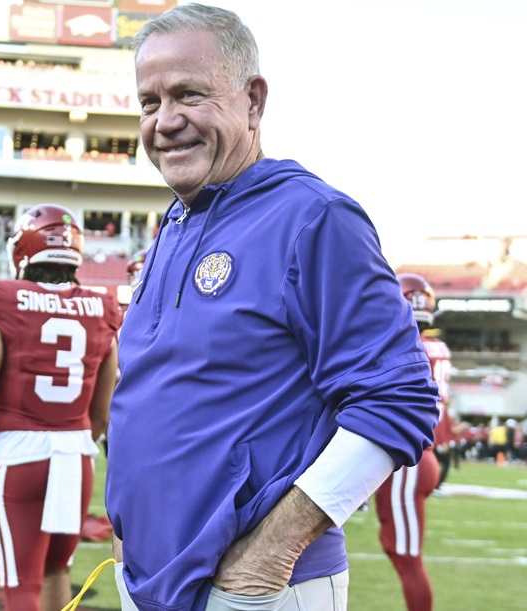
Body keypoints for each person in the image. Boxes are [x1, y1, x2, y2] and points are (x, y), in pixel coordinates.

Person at [104, 5, 441, 610]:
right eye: (149, 103)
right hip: (152, 580)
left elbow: (399, 398)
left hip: (255, 588)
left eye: (190, 94)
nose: (166, 121)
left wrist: (272, 553)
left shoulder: (312, 216)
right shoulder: (176, 224)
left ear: (253, 102)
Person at [0, 204, 121, 611]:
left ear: (23, 248)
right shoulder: (103, 308)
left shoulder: (3, 299)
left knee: (21, 582)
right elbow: (102, 414)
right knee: (57, 569)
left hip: (22, 454)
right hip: (76, 455)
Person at [374, 273, 446, 611]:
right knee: (398, 549)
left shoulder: (401, 346)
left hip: (407, 461)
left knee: (406, 557)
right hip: (421, 457)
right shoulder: (437, 348)